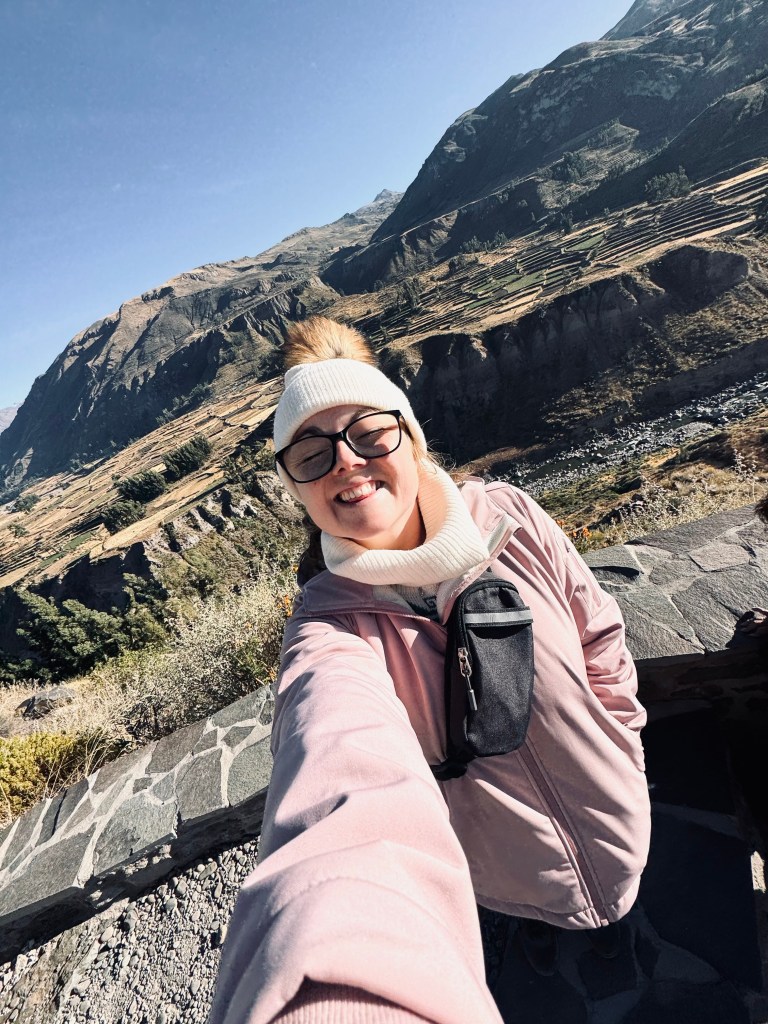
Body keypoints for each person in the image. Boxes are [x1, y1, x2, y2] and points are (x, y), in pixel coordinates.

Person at [208, 317, 651, 1024]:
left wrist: (621, 738)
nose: (347, 461)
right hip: (507, 874)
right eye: (312, 452)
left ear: (409, 437)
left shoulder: (509, 515)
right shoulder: (330, 629)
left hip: (619, 817)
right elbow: (336, 760)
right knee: (544, 943)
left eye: (368, 432)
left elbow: (599, 632)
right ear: (296, 486)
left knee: (634, 926)